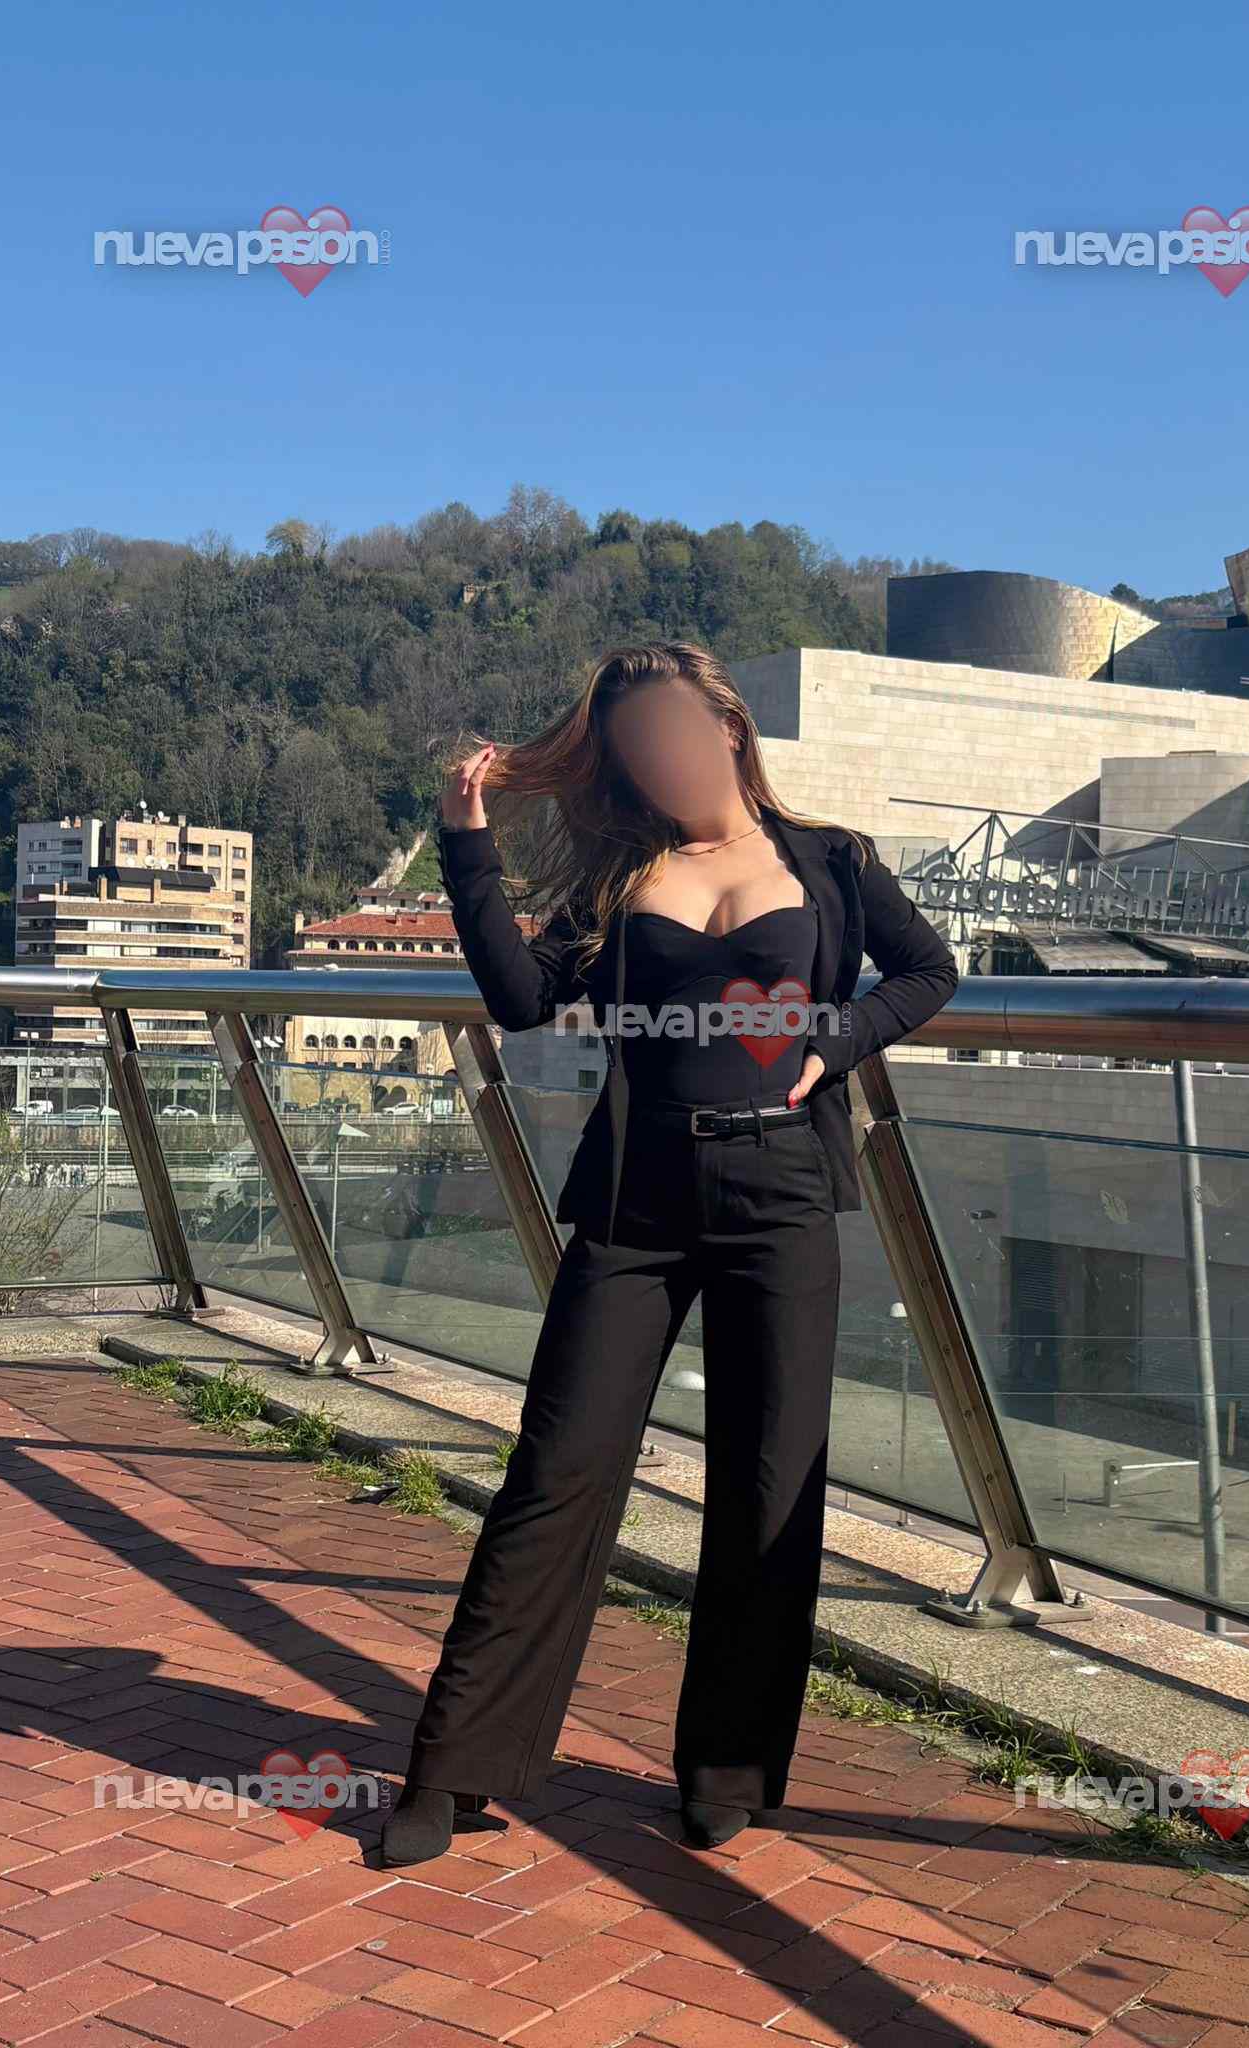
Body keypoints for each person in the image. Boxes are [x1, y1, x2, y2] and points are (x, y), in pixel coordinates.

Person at [380, 641, 959, 1868]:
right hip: (637, 1200)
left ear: (729, 728)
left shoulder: (833, 859)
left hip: (782, 1192)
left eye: (674, 733)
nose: (660, 759)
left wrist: (839, 1037)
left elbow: (928, 971)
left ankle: (727, 1770)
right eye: (636, 747)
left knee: (767, 1484)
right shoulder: (622, 874)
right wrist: (466, 841)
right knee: (556, 1469)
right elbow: (519, 997)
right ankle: (455, 1767)